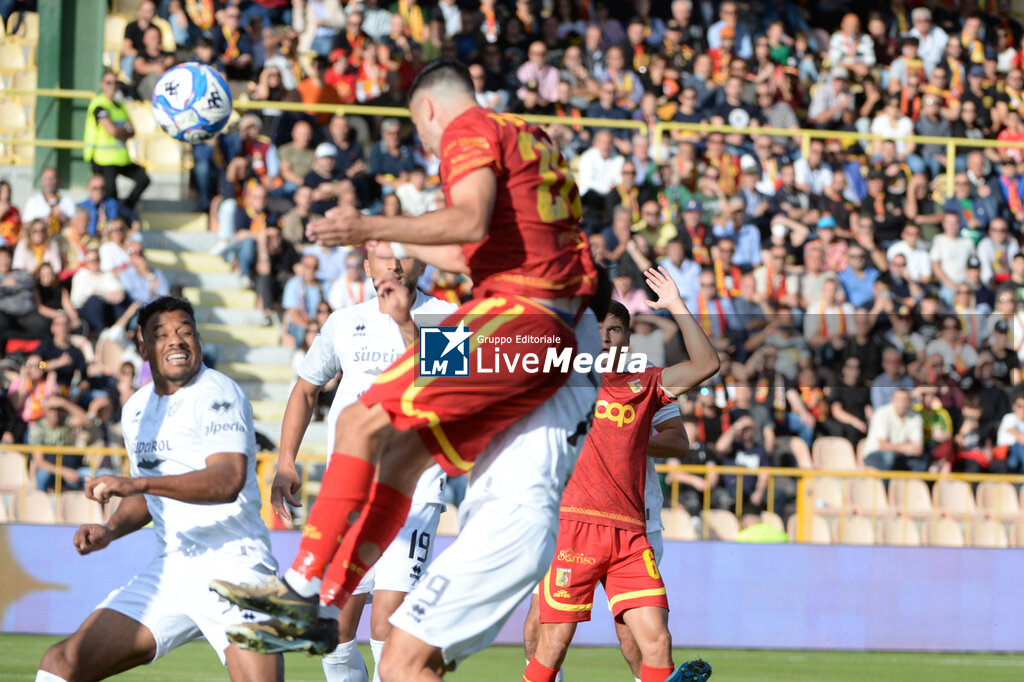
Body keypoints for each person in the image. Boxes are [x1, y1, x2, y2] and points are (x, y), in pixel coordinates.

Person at [211, 59, 603, 680]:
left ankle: (306, 587)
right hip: (544, 331)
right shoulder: (529, 140)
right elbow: (464, 243)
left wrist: (371, 224)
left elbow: (467, 221)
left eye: (426, 139)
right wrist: (382, 239)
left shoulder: (467, 127)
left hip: (521, 320)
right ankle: (321, 594)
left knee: (363, 422)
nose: (432, 151)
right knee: (395, 453)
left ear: (427, 112)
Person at [34, 297, 284, 681]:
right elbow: (148, 500)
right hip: (173, 570)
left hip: (237, 565)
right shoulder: (135, 410)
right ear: (143, 345)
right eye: (162, 334)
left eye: (186, 331)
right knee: (61, 664)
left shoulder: (219, 393)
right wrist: (110, 530)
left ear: (198, 339)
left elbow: (228, 479)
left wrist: (138, 482)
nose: (176, 341)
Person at [273, 250, 455, 682]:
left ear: (423, 265)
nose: (392, 263)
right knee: (335, 634)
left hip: (414, 491)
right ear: (368, 265)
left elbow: (439, 398)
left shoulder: (447, 318)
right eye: (382, 254)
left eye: (403, 254)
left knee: (386, 627)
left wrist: (404, 323)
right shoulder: (343, 321)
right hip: (350, 491)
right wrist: (285, 461)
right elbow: (304, 390)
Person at [524, 284, 718, 682]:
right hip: (575, 527)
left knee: (655, 642)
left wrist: (678, 306)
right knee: (550, 645)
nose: (604, 337)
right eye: (596, 329)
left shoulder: (647, 383)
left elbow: (705, 365)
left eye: (614, 329)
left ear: (628, 338)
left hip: (631, 534)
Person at [83, 71, 151, 210]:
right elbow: (112, 130)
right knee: (110, 195)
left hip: (120, 157)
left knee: (143, 180)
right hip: (103, 159)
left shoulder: (120, 106)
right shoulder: (99, 105)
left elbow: (132, 131)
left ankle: (126, 208)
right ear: (102, 84)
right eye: (108, 82)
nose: (112, 86)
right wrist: (123, 130)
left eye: (115, 82)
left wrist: (121, 131)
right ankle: (109, 220)